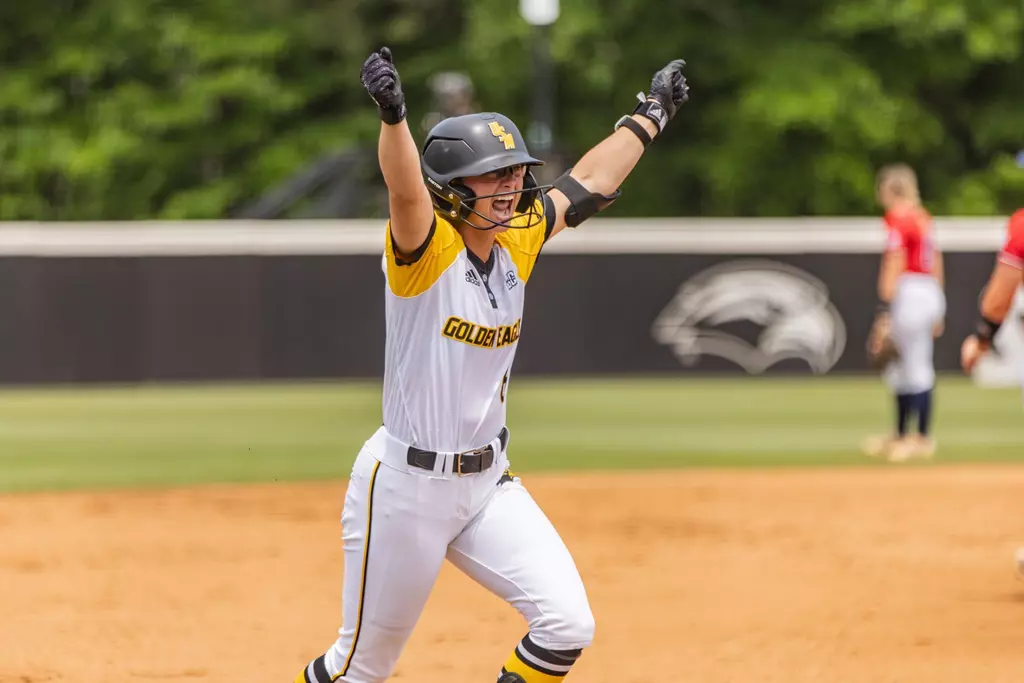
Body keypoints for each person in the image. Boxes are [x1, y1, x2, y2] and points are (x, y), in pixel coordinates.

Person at [291, 47, 689, 683]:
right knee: (361, 669)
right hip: (405, 489)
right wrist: (393, 117)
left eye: (515, 172)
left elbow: (588, 183)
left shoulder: (516, 239)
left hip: (486, 484)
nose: (512, 185)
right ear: (452, 185)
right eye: (494, 174)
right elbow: (403, 187)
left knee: (566, 624)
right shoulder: (427, 249)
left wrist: (650, 115)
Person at [862, 164, 946, 462]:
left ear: (891, 190)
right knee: (901, 368)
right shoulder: (923, 218)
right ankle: (901, 434)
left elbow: (894, 262)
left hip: (908, 291)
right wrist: (939, 306)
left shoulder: (897, 220)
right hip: (930, 290)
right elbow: (936, 261)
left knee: (913, 366)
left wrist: (884, 310)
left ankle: (920, 437)